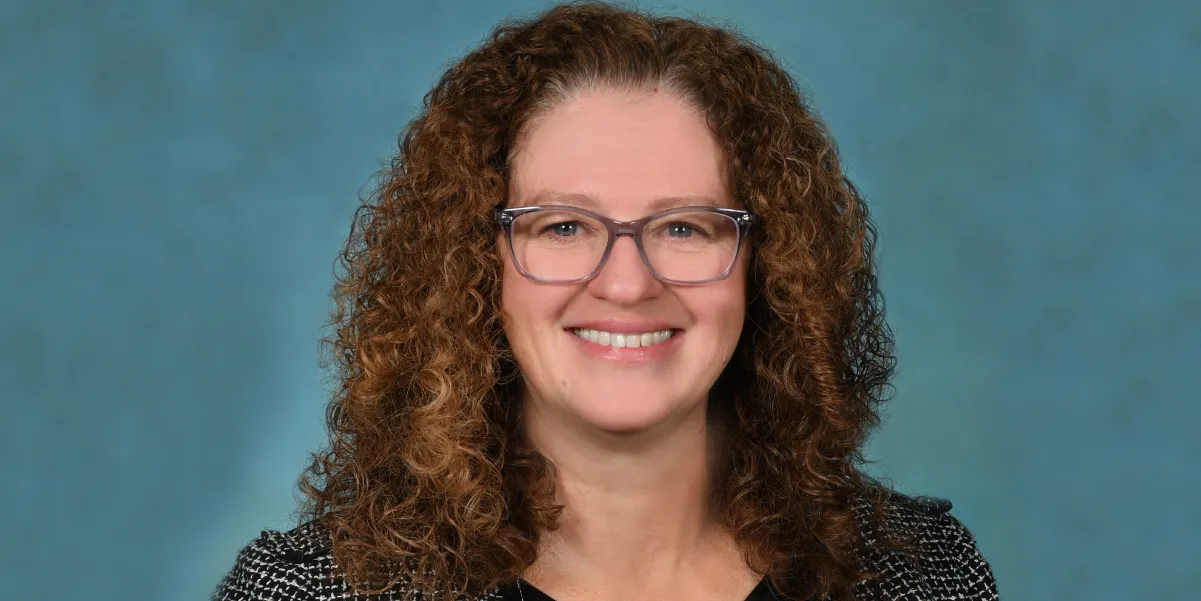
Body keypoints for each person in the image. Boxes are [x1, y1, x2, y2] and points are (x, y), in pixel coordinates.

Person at [213, 2, 999, 600]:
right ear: (470, 266)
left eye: (685, 227)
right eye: (563, 225)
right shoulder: (315, 591)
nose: (625, 282)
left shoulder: (916, 577)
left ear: (770, 266)